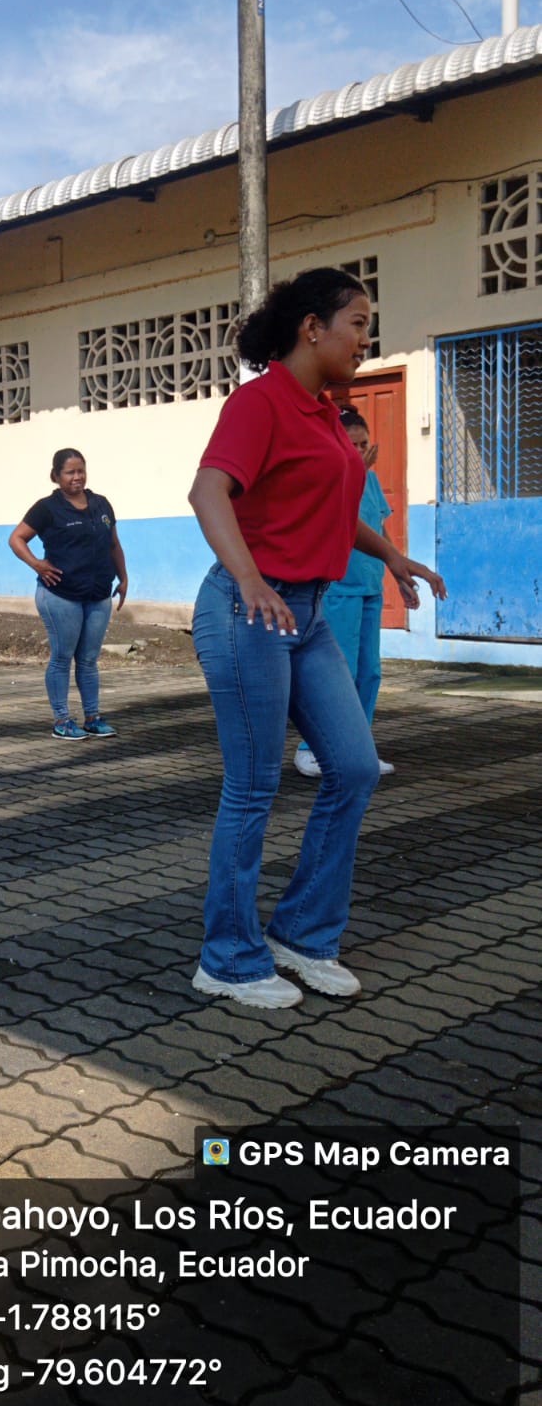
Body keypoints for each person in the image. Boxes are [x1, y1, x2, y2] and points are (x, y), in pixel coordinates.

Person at [188, 268, 446, 1012]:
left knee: (355, 768)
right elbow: (208, 492)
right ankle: (227, 958)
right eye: (358, 324)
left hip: (307, 613)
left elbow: (331, 505)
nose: (366, 339)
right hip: (247, 611)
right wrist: (249, 578)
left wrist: (391, 554)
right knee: (252, 787)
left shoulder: (327, 413)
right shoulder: (260, 401)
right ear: (312, 328)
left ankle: (301, 933)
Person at [295, 407, 395, 779]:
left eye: (364, 444)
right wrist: (352, 472)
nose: (360, 451)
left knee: (369, 672)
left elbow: (379, 528)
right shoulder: (328, 477)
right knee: (338, 673)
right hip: (339, 589)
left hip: (370, 587)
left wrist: (399, 569)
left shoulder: (371, 480)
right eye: (351, 445)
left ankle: (358, 748)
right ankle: (311, 749)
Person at [8, 449, 128, 739]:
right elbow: (16, 538)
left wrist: (123, 577)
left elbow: (113, 544)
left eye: (81, 471)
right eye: (70, 472)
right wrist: (37, 564)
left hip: (98, 594)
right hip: (61, 595)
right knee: (62, 657)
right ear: (56, 476)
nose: (77, 477)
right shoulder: (47, 508)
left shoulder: (101, 504)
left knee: (88, 660)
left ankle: (92, 717)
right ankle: (62, 720)